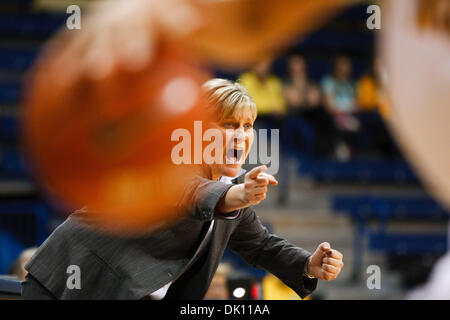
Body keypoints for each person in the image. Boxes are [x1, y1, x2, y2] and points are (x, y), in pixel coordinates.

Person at [21, 78, 344, 299]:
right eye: (229, 125)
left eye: (247, 127)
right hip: (68, 281)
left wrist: (307, 264)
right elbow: (192, 194)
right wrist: (239, 195)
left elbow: (262, 245)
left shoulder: (226, 190)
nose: (242, 136)